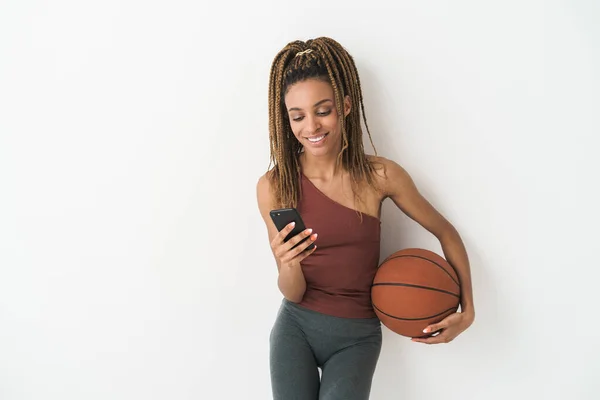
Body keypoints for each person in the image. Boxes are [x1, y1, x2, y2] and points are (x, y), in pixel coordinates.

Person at [256, 37, 475, 400]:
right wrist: (289, 263)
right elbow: (292, 292)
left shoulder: (381, 176)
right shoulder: (274, 185)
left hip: (356, 336)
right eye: (297, 116)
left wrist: (467, 311)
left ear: (344, 106)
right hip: (295, 329)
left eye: (322, 110)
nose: (311, 126)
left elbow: (446, 232)